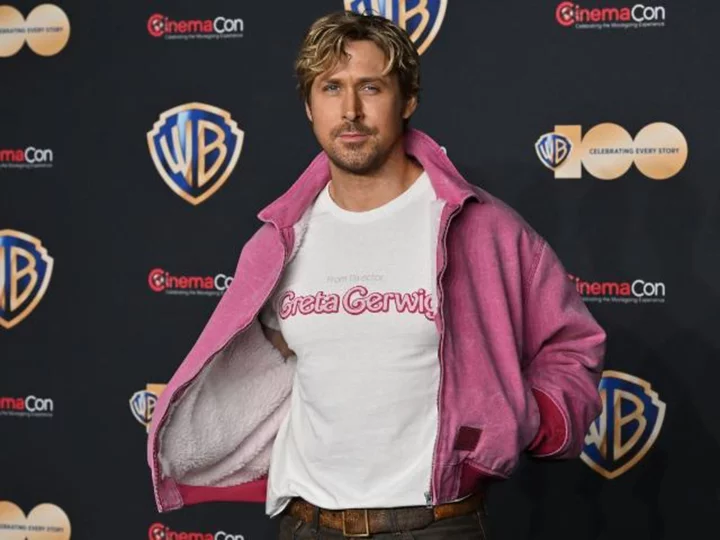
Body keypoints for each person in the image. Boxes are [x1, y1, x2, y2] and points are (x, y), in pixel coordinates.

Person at [147, 10, 606, 540]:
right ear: (309, 106)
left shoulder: (483, 230)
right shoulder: (280, 241)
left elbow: (572, 343)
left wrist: (526, 419)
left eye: (371, 87)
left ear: (407, 100)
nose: (350, 111)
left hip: (436, 526)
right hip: (307, 524)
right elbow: (267, 363)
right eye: (331, 88)